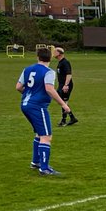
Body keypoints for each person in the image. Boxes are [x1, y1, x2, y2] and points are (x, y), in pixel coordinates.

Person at [18, 47, 72, 176]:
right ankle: (44, 168)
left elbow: (19, 87)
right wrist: (63, 104)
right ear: (50, 58)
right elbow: (49, 89)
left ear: (38, 57)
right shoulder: (49, 72)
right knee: (46, 136)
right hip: (37, 107)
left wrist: (28, 94)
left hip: (25, 105)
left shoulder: (27, 69)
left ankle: (35, 162)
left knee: (39, 133)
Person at [53, 47, 78, 127]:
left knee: (63, 102)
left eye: (55, 52)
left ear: (59, 53)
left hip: (65, 86)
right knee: (61, 101)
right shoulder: (60, 62)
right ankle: (69, 118)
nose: (53, 53)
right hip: (61, 85)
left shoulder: (65, 62)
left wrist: (66, 85)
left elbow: (69, 74)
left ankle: (67, 119)